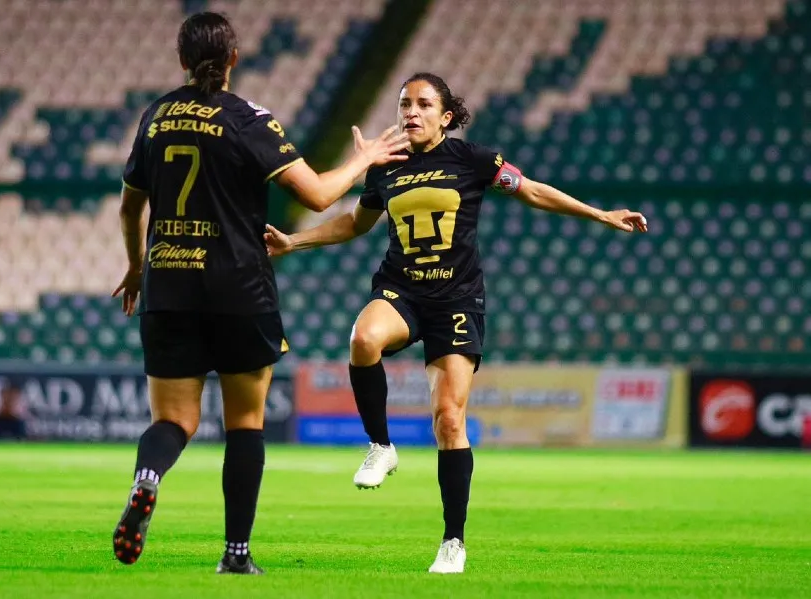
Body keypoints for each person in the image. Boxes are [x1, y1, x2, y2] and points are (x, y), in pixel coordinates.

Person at [265, 72, 648, 574]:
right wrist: (296, 241)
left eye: (424, 104)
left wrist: (600, 215)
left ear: (446, 116)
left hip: (457, 300)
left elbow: (530, 190)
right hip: (401, 288)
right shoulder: (387, 169)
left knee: (449, 419)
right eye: (405, 103)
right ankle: (381, 446)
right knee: (363, 338)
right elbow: (356, 224)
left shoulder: (473, 160)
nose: (411, 112)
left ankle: (453, 542)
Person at [110, 12, 409, 574]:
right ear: (233, 60)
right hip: (238, 288)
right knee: (245, 424)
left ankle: (147, 479)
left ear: (181, 59)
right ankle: (235, 555)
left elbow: (131, 206)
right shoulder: (248, 119)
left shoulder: (155, 117)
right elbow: (320, 196)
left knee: (173, 421)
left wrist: (135, 267)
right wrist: (364, 160)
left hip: (168, 284)